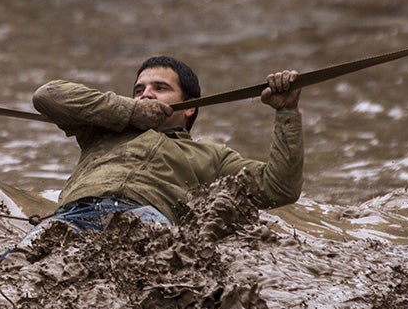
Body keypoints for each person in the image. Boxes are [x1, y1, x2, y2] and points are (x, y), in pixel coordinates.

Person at [29, 55, 303, 231]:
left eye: (160, 88)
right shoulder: (102, 129)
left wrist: (286, 112)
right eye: (139, 90)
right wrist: (129, 112)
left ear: (190, 107)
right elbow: (47, 96)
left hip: (148, 221)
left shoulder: (212, 155)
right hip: (73, 213)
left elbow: (280, 187)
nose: (145, 95)